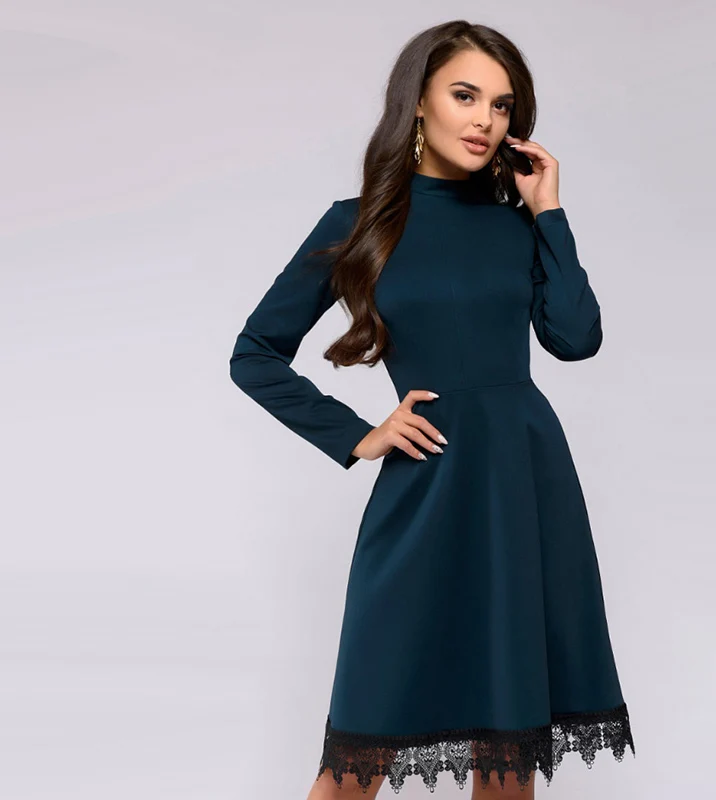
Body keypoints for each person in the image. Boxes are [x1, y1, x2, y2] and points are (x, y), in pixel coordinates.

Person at [229, 20, 635, 799]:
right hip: (427, 486)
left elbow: (576, 339)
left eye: (502, 105)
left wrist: (549, 211)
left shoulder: (517, 225)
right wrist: (358, 435)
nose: (486, 120)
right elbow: (254, 353)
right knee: (356, 761)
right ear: (419, 101)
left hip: (524, 486)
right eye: (465, 96)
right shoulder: (357, 223)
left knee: (508, 757)